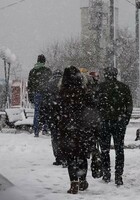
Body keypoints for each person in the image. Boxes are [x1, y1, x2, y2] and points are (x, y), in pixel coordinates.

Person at [53, 66, 98, 194]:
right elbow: (92, 108)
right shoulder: (84, 92)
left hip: (67, 128)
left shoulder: (62, 93)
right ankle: (82, 180)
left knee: (71, 156)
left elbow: (56, 110)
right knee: (82, 155)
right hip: (83, 128)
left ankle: (73, 183)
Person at [96, 66, 133, 186]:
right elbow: (129, 106)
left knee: (105, 150)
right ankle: (118, 175)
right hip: (119, 122)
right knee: (119, 149)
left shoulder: (100, 88)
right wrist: (125, 119)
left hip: (104, 122)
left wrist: (98, 120)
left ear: (106, 74)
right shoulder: (123, 88)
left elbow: (95, 106)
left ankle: (106, 173)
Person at [27, 54, 52, 137]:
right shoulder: (47, 71)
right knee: (47, 111)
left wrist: (30, 96)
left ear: (37, 61)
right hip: (46, 93)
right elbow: (50, 83)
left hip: (36, 94)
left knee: (37, 112)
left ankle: (36, 130)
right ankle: (45, 129)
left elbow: (29, 85)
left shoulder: (32, 71)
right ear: (44, 61)